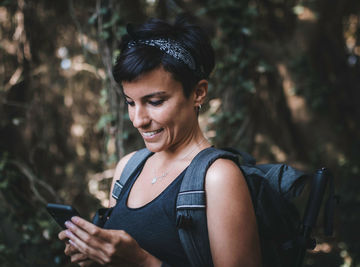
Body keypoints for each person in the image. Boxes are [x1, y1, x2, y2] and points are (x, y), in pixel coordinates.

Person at [58, 15, 261, 267]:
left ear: (198, 93)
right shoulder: (128, 167)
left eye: (155, 102)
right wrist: (98, 256)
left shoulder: (218, 178)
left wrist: (143, 261)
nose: (138, 120)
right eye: (130, 103)